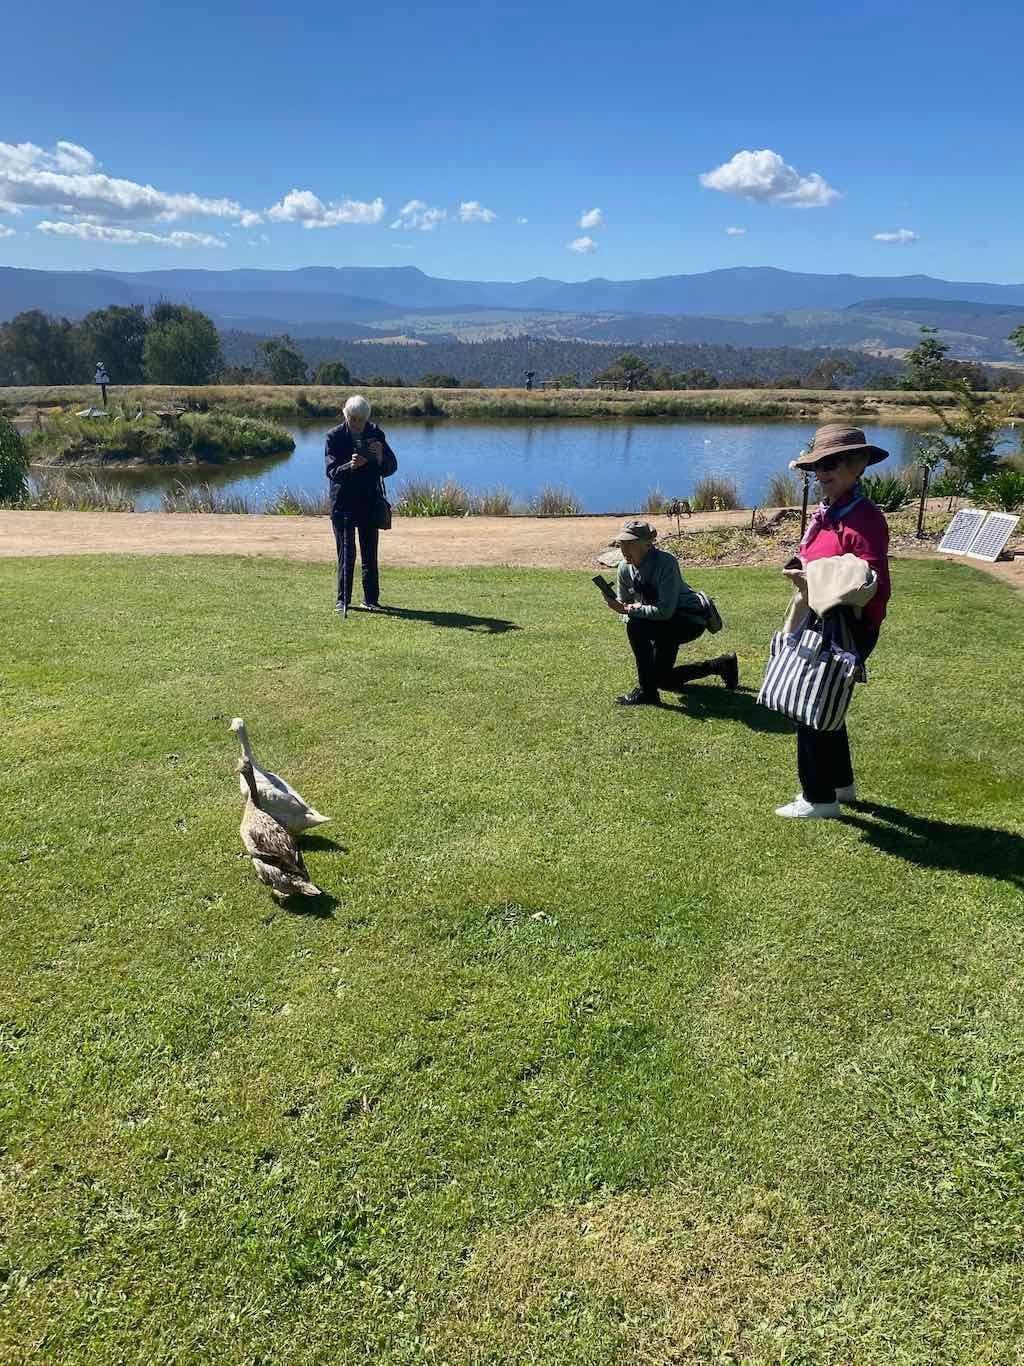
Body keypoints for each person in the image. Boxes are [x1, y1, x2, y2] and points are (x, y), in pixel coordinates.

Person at [774, 425, 891, 819]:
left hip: (846, 628)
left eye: (833, 464)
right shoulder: (827, 513)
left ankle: (818, 798)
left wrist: (812, 577)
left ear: (857, 466)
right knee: (828, 706)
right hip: (818, 620)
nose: (823, 473)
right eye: (819, 466)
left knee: (811, 708)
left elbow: (869, 580)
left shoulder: (865, 517)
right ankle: (842, 786)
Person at [606, 519, 738, 705]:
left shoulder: (666, 562)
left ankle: (647, 692)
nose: (624, 549)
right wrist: (618, 605)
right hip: (660, 622)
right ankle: (722, 664)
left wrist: (629, 610)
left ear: (647, 545)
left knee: (636, 626)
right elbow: (627, 605)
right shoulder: (624, 568)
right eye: (622, 544)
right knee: (662, 679)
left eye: (630, 544)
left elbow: (665, 611)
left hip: (687, 620)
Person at [325, 395, 398, 614]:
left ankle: (371, 600)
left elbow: (391, 467)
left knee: (369, 554)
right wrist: (350, 465)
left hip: (369, 501)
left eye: (361, 420)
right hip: (343, 504)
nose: (357, 424)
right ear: (345, 415)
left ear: (367, 418)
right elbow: (331, 472)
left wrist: (380, 456)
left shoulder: (376, 434)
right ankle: (343, 601)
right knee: (346, 554)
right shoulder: (334, 437)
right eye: (353, 419)